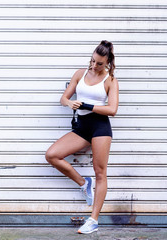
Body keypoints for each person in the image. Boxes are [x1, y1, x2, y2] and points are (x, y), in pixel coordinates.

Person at [45, 40, 119, 234]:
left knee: (100, 173)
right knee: (52, 155)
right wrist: (70, 104)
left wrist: (87, 106)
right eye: (93, 61)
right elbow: (63, 98)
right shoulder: (80, 73)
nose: (94, 66)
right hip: (82, 127)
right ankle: (84, 183)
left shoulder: (110, 80)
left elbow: (112, 109)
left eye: (100, 63)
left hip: (100, 128)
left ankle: (93, 220)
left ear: (108, 62)